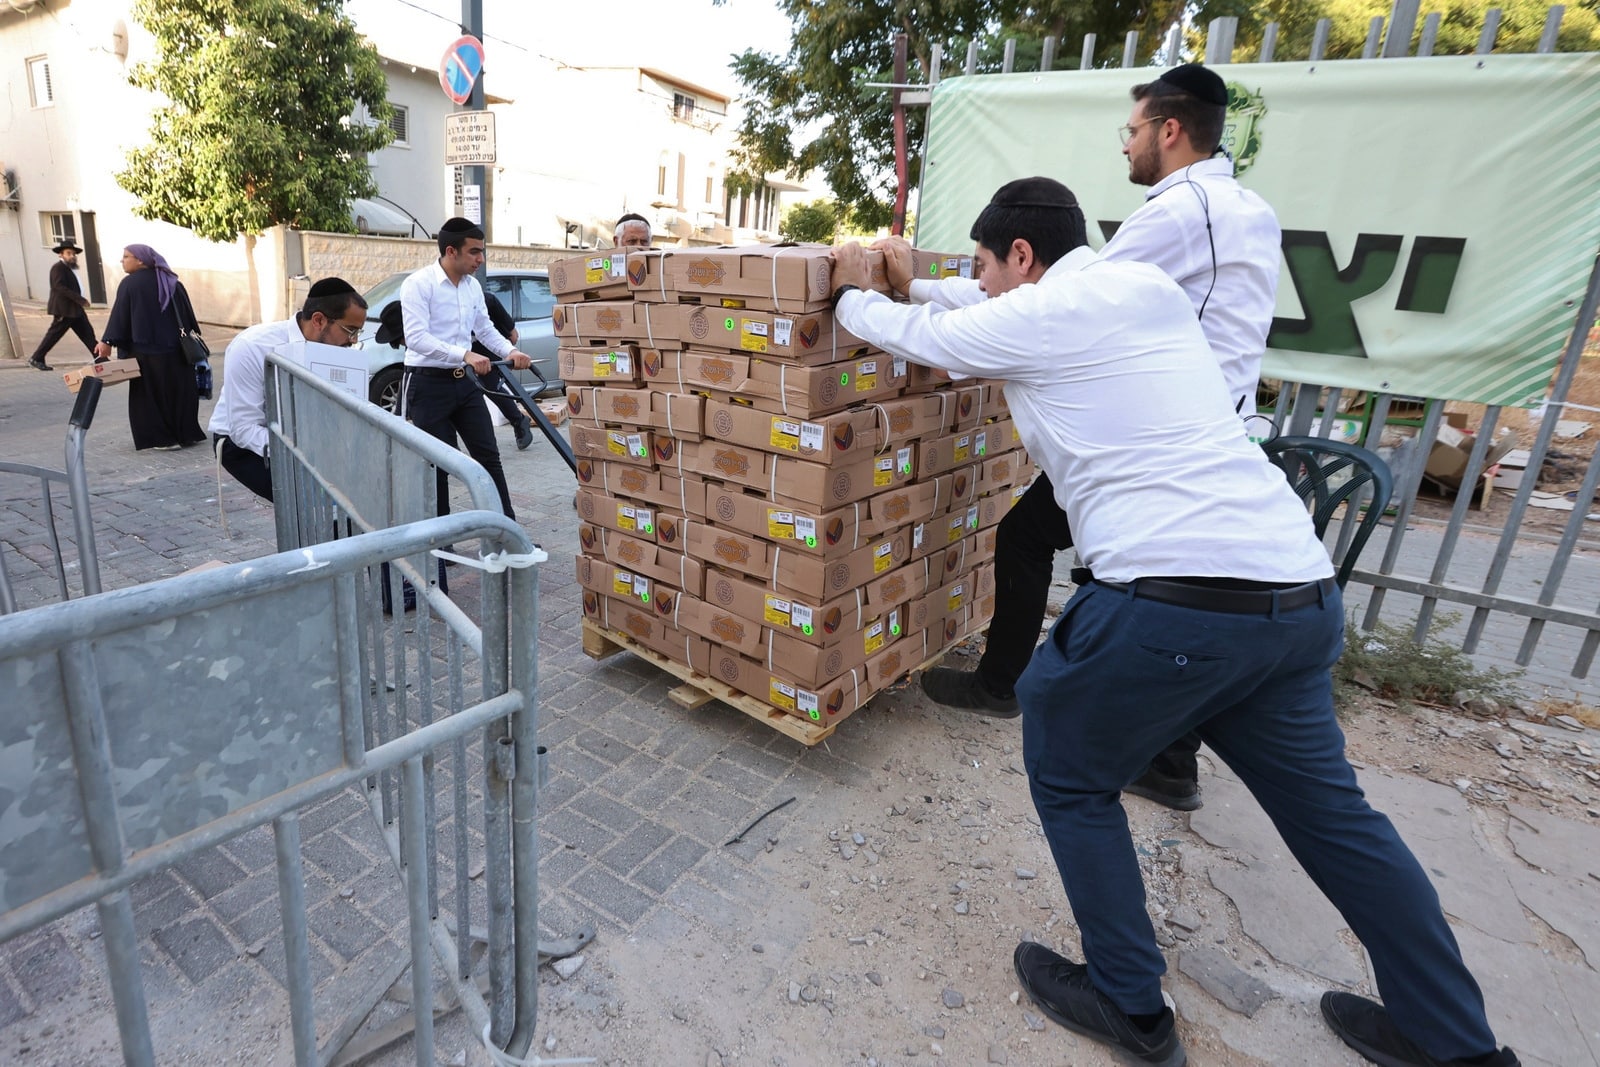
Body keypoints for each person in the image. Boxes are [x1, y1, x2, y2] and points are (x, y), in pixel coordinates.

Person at [828, 179, 1517, 1067]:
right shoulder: (1139, 287)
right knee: (1339, 821)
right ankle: (1455, 1041)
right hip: (1295, 596)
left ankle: (1130, 1005)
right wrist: (921, 280)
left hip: (1176, 603)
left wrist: (851, 291)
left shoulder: (1035, 318)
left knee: (1069, 767)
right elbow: (967, 302)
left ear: (1024, 258)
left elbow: (928, 335)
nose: (984, 282)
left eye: (989, 267)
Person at [916, 63, 1283, 814]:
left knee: (1050, 547)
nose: (1128, 147)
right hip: (1209, 431)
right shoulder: (1249, 208)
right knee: (1171, 587)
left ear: (1170, 130)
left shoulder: (1179, 212)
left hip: (1159, 441)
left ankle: (1009, 688)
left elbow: (1061, 306)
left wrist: (909, 294)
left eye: (1134, 129)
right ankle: (1170, 759)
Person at [399, 217, 530, 520]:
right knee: (437, 464)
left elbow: (484, 330)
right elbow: (416, 339)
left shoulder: (472, 288)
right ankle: (441, 542)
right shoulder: (418, 285)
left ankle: (505, 531)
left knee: (488, 457)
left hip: (466, 384)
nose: (480, 259)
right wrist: (464, 354)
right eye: (474, 252)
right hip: (427, 384)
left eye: (481, 252)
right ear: (451, 251)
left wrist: (510, 350)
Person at [207, 278, 368, 501]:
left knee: (347, 497)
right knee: (312, 503)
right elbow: (243, 429)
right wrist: (305, 453)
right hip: (245, 445)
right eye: (350, 330)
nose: (353, 340)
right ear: (319, 320)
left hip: (302, 438)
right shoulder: (253, 346)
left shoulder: (334, 348)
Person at [94, 244, 206, 451]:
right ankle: (187, 434)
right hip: (178, 351)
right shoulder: (172, 282)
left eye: (126, 256)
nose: (122, 261)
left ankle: (163, 439)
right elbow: (188, 317)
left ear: (140, 260)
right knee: (179, 392)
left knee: (150, 396)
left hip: (146, 352)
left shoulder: (130, 284)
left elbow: (120, 316)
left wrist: (107, 341)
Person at [476, 289, 536, 451]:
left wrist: (509, 351)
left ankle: (518, 420)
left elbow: (513, 335)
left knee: (491, 387)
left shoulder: (487, 300)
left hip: (487, 350)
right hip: (460, 354)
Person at [29, 240, 98, 371]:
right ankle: (36, 358)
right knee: (54, 335)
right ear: (61, 254)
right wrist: (80, 299)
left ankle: (100, 359)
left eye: (73, 254)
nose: (72, 256)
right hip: (64, 310)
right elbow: (59, 287)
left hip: (75, 310)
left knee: (88, 334)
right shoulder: (58, 268)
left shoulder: (69, 269)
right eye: (68, 253)